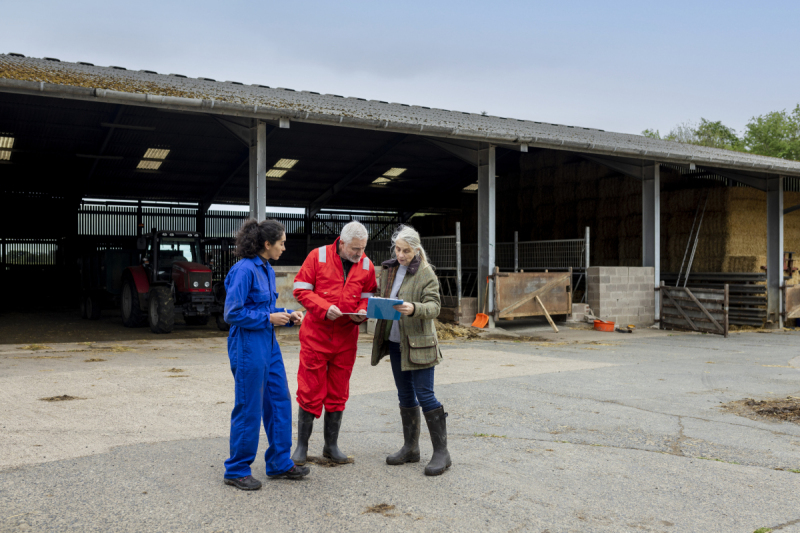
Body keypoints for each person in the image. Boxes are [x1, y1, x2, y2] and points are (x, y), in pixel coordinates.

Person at [222, 219, 309, 490]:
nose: (284, 247)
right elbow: (232, 313)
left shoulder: (267, 269)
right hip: (248, 343)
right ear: (267, 244)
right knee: (250, 406)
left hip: (268, 343)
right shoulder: (244, 270)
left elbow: (265, 306)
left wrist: (286, 314)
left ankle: (280, 462)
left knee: (279, 400)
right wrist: (269, 317)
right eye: (281, 243)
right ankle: (236, 469)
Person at [290, 221, 377, 465]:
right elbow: (301, 290)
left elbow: (368, 297)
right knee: (309, 390)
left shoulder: (367, 265)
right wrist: (324, 308)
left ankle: (331, 446)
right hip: (316, 337)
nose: (359, 254)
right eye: (355, 249)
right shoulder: (316, 257)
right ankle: (301, 447)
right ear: (341, 242)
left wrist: (362, 312)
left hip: (346, 339)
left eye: (362, 249)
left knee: (339, 392)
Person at [370, 225, 451, 476]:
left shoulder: (426, 273)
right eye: (398, 249)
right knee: (404, 395)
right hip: (396, 342)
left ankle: (442, 453)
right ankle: (410, 448)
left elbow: (435, 307)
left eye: (406, 250)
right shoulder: (389, 269)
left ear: (416, 250)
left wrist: (414, 308)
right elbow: (381, 295)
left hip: (419, 344)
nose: (401, 254)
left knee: (425, 395)